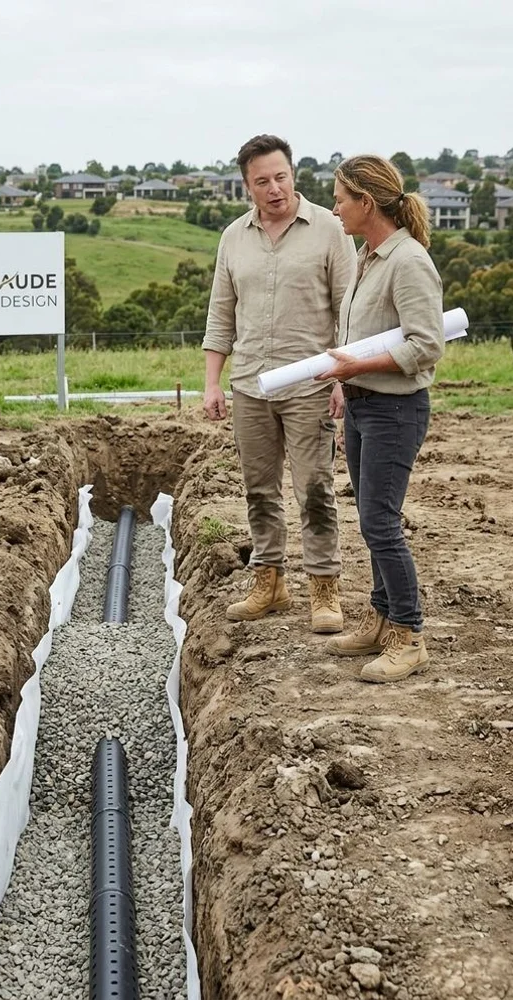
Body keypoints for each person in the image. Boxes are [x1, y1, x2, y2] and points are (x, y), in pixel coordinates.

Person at [203, 134, 357, 633]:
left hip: (312, 383)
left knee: (314, 488)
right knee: (259, 490)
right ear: (247, 186)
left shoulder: (330, 230)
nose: (274, 189)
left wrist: (344, 377)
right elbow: (220, 315)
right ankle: (269, 582)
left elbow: (350, 311)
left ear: (294, 174)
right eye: (262, 181)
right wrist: (213, 383)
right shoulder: (233, 238)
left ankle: (324, 588)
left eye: (281, 177)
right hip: (249, 385)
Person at [320, 154, 444, 682]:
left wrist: (355, 367)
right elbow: (362, 334)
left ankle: (409, 635)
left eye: (341, 198)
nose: (335, 207)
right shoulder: (368, 255)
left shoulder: (408, 261)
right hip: (364, 403)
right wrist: (346, 385)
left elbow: (426, 344)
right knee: (371, 521)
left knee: (380, 523)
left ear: (366, 202)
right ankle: (380, 618)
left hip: (396, 409)